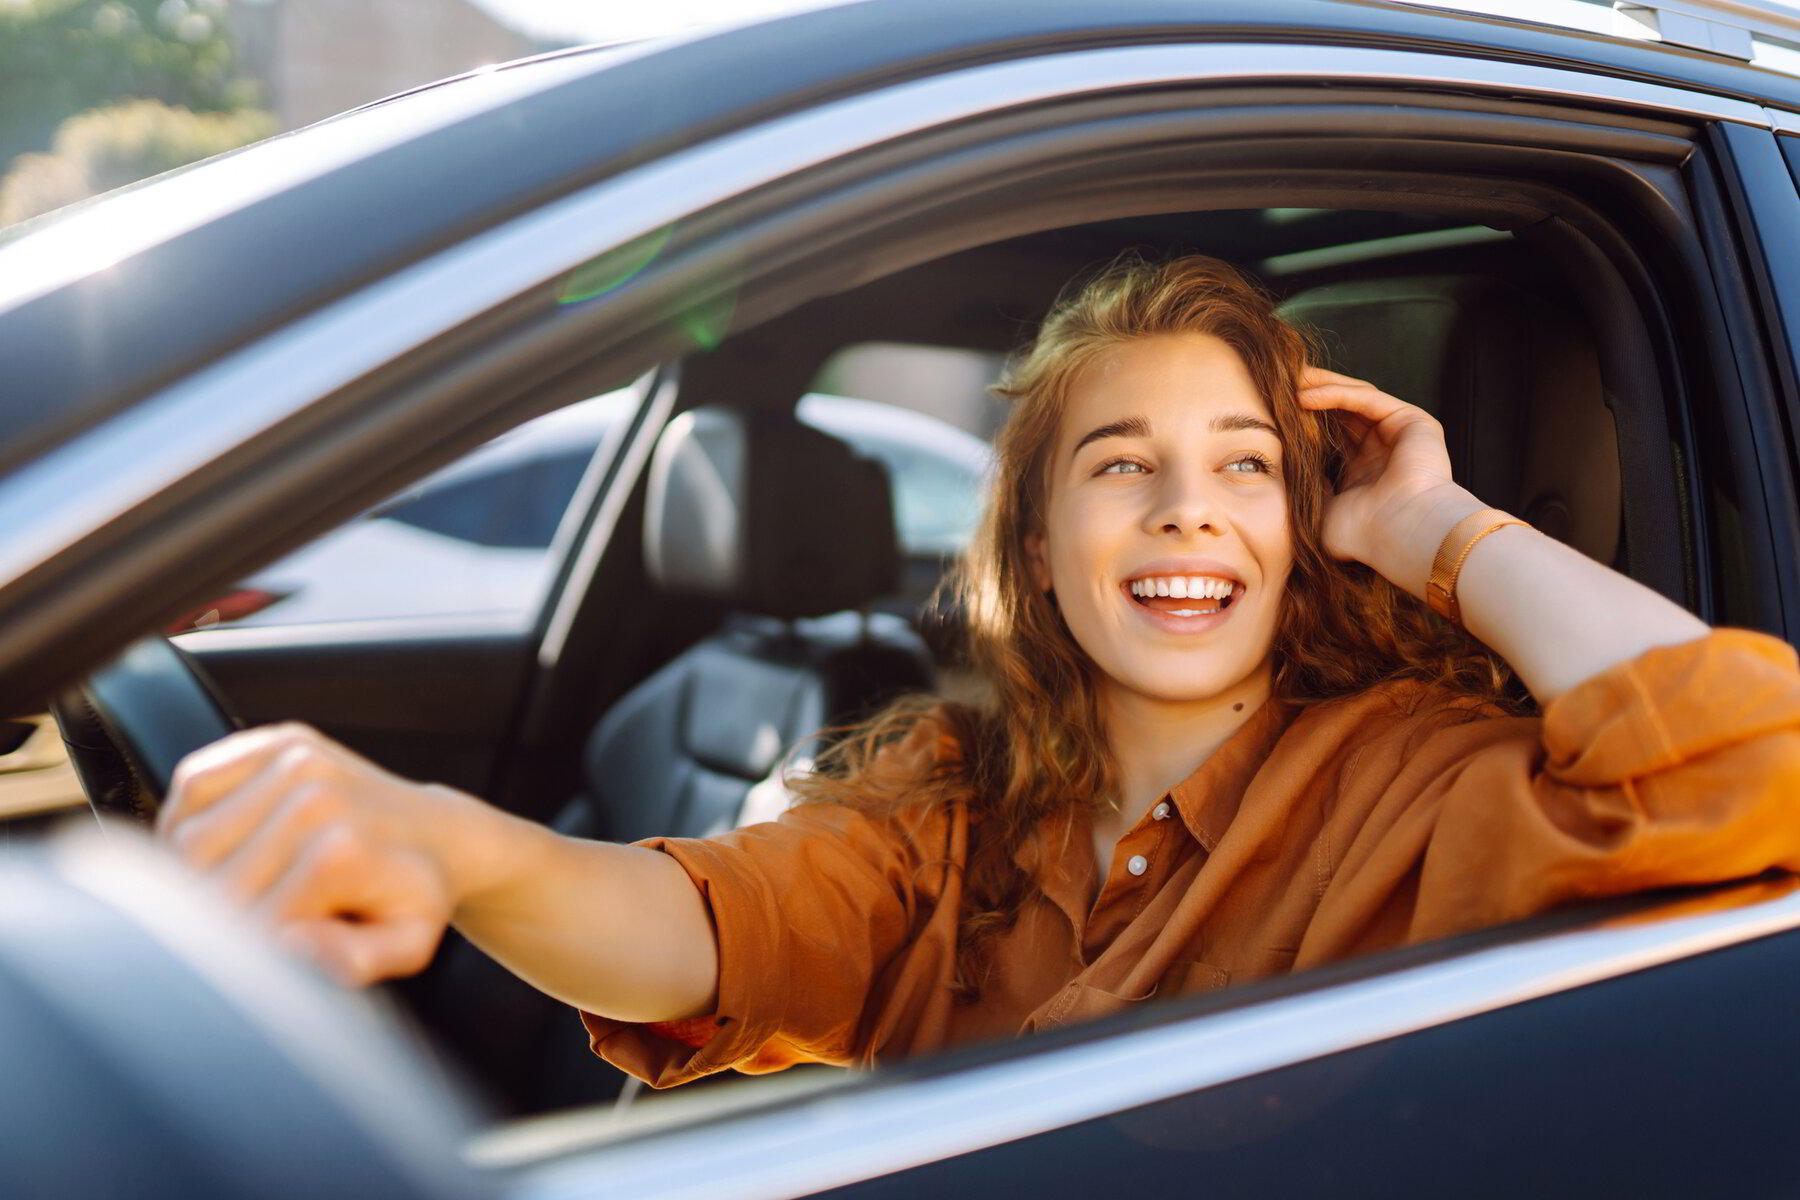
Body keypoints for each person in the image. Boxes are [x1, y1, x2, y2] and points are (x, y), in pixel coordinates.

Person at [156, 255, 1800, 1087]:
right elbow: (698, 927)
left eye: (1244, 466)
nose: (1184, 510)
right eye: (1119, 465)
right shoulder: (948, 802)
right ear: (1031, 540)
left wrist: (1440, 527)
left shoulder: (1415, 781)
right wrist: (450, 842)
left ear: (1305, 527)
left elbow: (1756, 762)